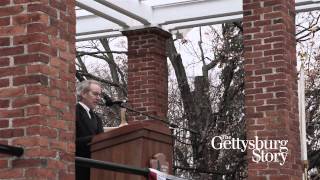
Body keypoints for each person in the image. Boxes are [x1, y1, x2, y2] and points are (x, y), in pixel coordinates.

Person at [75, 80, 104, 180]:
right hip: (78, 168)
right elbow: (68, 142)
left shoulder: (97, 118)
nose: (98, 98)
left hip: (95, 169)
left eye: (99, 95)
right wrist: (94, 139)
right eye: (95, 94)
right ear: (83, 93)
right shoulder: (73, 112)